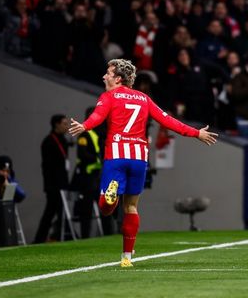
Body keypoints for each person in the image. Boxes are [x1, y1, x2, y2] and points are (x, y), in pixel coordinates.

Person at [69, 59, 217, 267]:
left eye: (108, 73)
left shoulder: (109, 96)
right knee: (131, 207)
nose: (104, 76)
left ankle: (111, 196)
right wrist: (196, 133)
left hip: (117, 154)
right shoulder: (144, 98)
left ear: (118, 78)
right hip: (139, 158)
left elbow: (98, 116)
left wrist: (84, 126)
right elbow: (168, 120)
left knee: (106, 208)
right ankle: (127, 258)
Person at [34, 114, 70, 243]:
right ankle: (41, 238)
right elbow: (48, 166)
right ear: (57, 124)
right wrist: (53, 185)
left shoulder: (63, 140)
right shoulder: (49, 141)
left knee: (58, 211)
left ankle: (57, 236)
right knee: (51, 211)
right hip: (53, 185)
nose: (67, 126)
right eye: (64, 123)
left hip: (61, 183)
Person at [70, 107, 102, 238]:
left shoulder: (96, 133)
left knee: (100, 205)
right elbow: (82, 154)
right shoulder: (84, 134)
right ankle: (85, 236)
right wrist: (97, 158)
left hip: (95, 175)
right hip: (86, 177)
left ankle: (101, 234)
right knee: (86, 208)